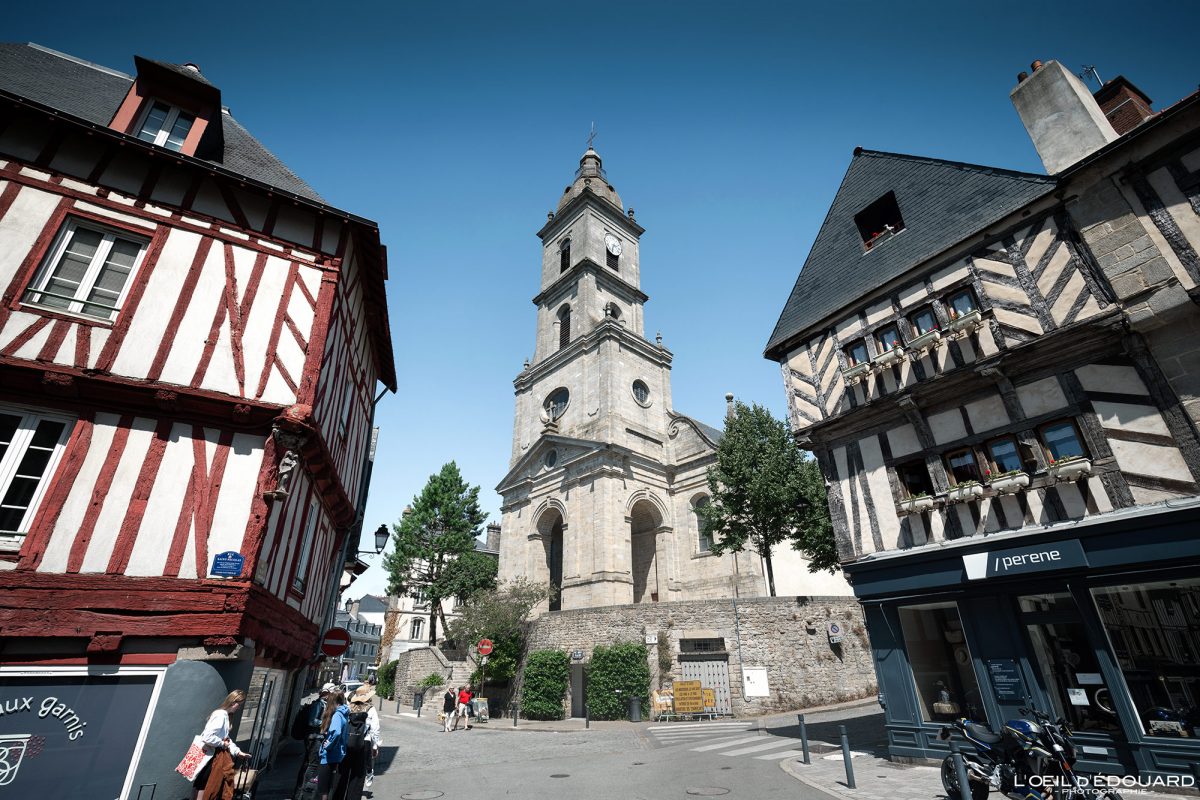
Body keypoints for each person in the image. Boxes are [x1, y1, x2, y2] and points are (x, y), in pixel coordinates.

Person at [189, 690, 249, 800]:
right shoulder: (221, 715)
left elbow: (225, 738)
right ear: (233, 702)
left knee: (203, 783)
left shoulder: (225, 715)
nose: (239, 708)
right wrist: (222, 744)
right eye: (239, 705)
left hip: (212, 754)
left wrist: (237, 751)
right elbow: (207, 737)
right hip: (211, 755)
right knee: (205, 784)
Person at [333, 685, 382, 800]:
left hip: (347, 742)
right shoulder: (370, 709)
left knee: (342, 773)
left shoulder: (349, 707)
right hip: (364, 743)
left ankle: (337, 796)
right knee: (358, 775)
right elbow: (375, 730)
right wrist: (375, 746)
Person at [317, 691, 349, 800]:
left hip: (329, 755)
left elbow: (337, 732)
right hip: (337, 754)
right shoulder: (344, 712)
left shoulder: (337, 715)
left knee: (323, 789)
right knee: (328, 786)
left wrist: (328, 745)